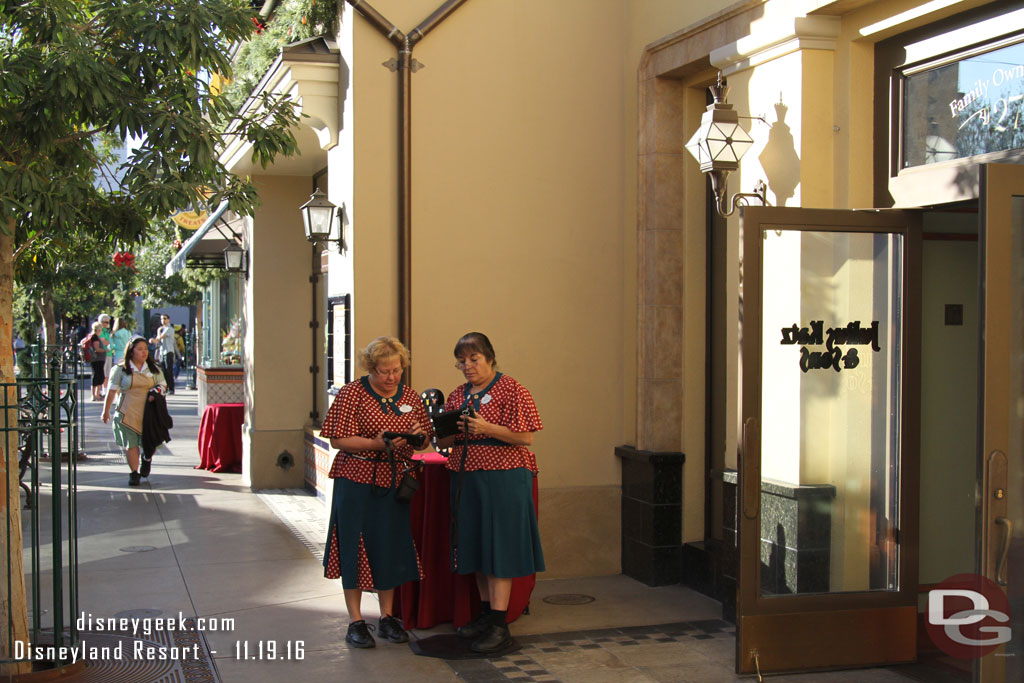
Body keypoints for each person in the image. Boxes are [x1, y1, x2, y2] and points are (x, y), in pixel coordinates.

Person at [320, 336, 431, 649]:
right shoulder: (352, 393)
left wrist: (418, 437)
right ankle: (356, 621)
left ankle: (387, 617)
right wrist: (375, 444)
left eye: (396, 370)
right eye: (384, 371)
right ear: (371, 368)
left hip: (393, 480)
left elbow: (423, 439)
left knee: (390, 544)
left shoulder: (409, 396)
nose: (391, 377)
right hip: (356, 477)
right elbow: (338, 439)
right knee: (353, 545)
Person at [439, 332, 544, 653]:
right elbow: (443, 443)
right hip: (466, 479)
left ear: (490, 358)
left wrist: (486, 429)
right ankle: (486, 615)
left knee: (500, 548)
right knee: (478, 547)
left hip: (505, 479)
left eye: (474, 359)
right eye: (462, 360)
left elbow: (526, 437)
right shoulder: (458, 395)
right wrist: (440, 429)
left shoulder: (513, 390)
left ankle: (500, 624)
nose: (467, 366)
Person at [101, 336, 167, 486]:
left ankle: (147, 458)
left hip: (149, 413)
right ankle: (134, 473)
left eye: (145, 349)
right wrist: (105, 411)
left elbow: (163, 386)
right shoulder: (120, 370)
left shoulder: (154, 369)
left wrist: (155, 393)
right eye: (140, 349)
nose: (144, 352)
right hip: (127, 413)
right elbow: (111, 391)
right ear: (131, 352)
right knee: (130, 445)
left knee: (151, 442)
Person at [150, 314, 176, 395]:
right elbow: (158, 340)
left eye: (164, 318)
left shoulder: (169, 329)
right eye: (161, 319)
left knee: (169, 370)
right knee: (162, 371)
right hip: (162, 352)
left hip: (168, 351)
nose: (163, 320)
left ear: (169, 319)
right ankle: (165, 387)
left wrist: (153, 340)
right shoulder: (161, 329)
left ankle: (171, 388)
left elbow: (160, 337)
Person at [86, 322, 107, 401]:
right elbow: (97, 349)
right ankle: (95, 395)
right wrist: (105, 349)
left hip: (97, 360)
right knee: (98, 376)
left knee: (98, 376)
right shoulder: (95, 337)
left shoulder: (92, 336)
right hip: (97, 360)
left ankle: (96, 394)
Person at [98, 313, 113, 380]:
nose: (108, 324)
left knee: (107, 374)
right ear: (101, 322)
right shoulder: (100, 331)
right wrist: (111, 342)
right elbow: (103, 342)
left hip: (109, 353)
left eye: (108, 322)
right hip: (103, 354)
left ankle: (105, 389)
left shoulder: (106, 331)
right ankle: (104, 389)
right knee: (104, 374)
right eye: (106, 322)